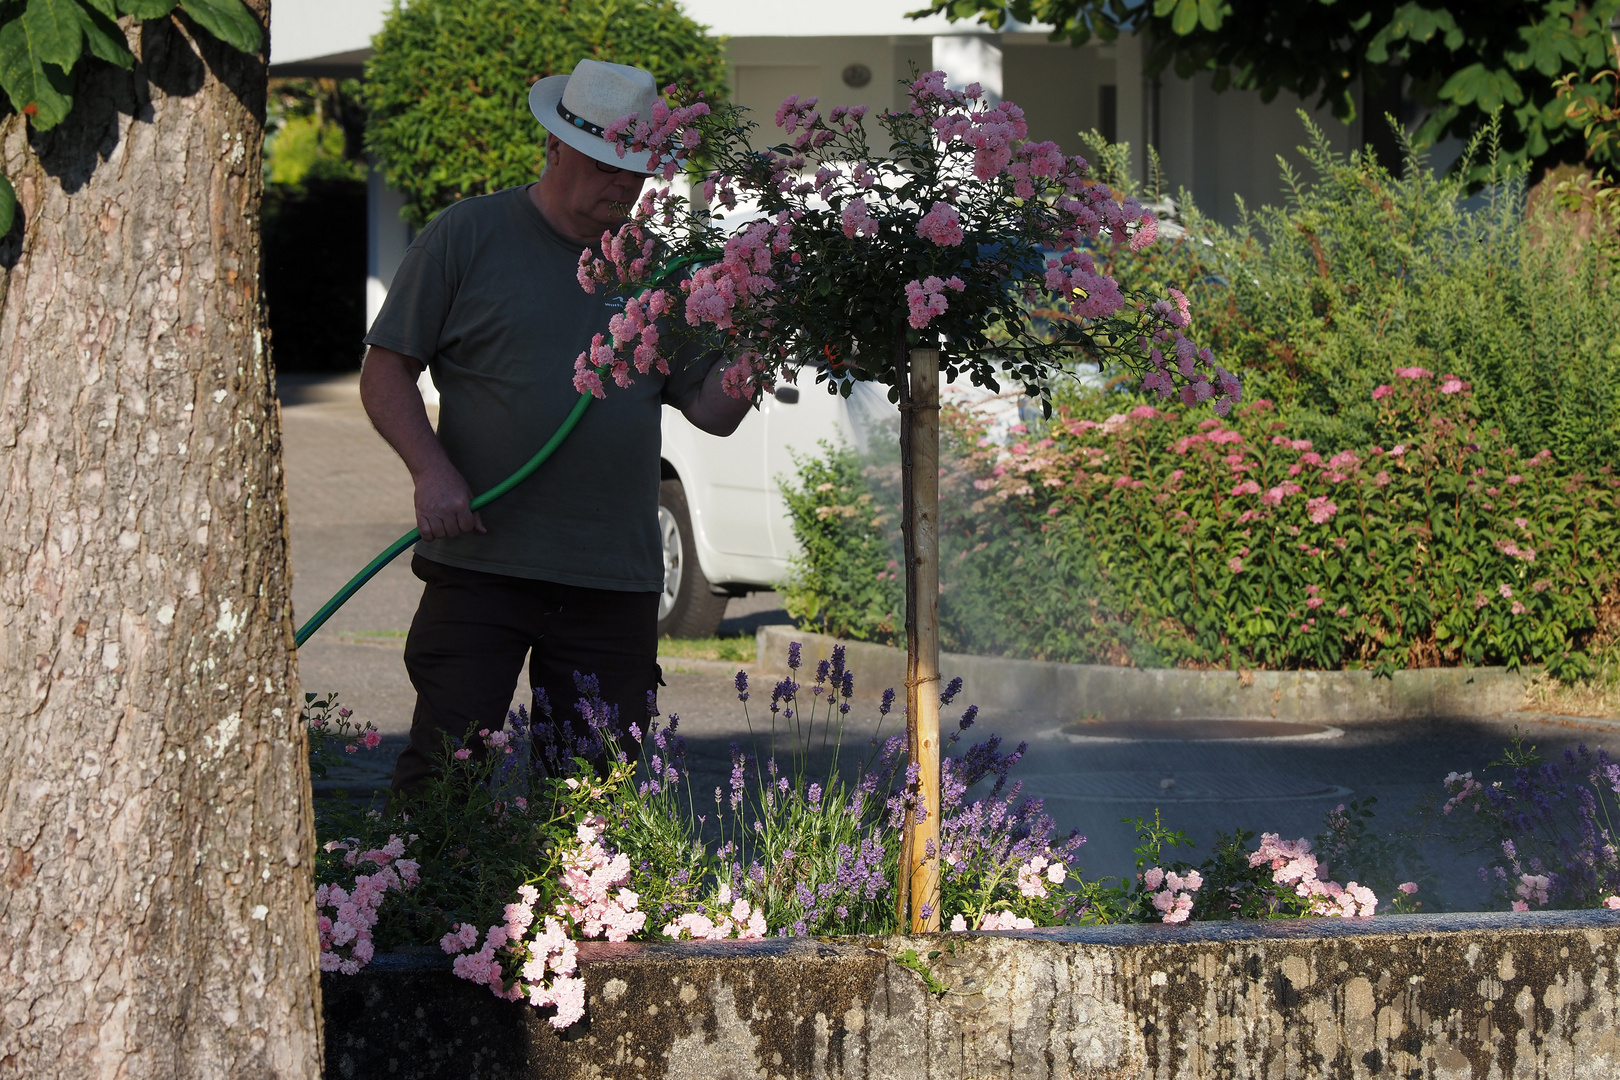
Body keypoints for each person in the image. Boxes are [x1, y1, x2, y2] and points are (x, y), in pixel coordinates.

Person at [359, 59, 751, 791]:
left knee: (594, 801)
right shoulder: (467, 236)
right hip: (481, 565)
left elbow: (712, 412)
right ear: (556, 147)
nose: (624, 187)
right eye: (608, 166)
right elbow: (385, 370)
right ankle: (420, 906)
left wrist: (764, 340)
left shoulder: (657, 270)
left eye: (638, 172)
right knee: (446, 778)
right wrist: (431, 471)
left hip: (613, 578)